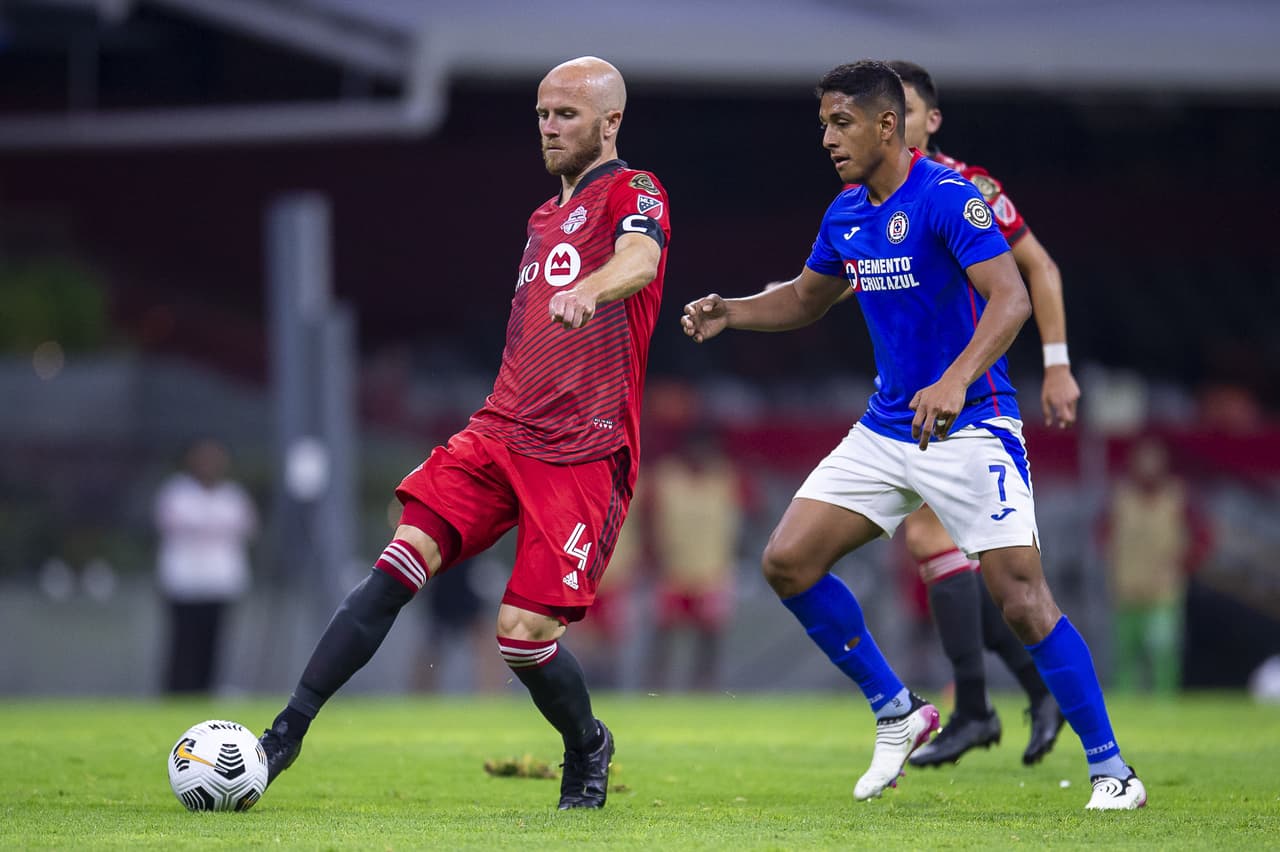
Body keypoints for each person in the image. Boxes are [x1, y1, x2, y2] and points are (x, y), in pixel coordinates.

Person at [682, 60, 1145, 809]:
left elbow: (1012, 298)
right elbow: (806, 299)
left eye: (841, 122)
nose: (828, 138)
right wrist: (732, 310)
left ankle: (1112, 771)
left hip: (974, 427)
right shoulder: (846, 212)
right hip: (889, 426)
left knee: (1023, 600)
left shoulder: (950, 197)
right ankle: (898, 710)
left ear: (888, 125)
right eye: (824, 124)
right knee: (788, 562)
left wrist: (957, 377)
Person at [257, 56, 671, 811]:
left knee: (520, 636)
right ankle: (282, 737)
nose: (548, 127)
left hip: (582, 449)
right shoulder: (542, 217)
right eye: (542, 113)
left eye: (567, 114)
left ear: (610, 122)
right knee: (394, 568)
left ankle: (588, 746)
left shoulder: (633, 190)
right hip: (499, 433)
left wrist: (591, 286)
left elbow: (642, 258)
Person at [883, 59, 1073, 769]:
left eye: (901, 109)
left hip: (965, 390)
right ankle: (1026, 691)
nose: (888, 121)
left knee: (936, 541)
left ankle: (975, 709)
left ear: (930, 121)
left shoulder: (966, 187)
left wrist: (1056, 361)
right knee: (963, 569)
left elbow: (1038, 269)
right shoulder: (875, 193)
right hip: (910, 388)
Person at [1102, 439, 1210, 693]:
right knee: (1126, 654)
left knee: (1163, 653)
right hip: (1127, 590)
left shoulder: (1177, 497)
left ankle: (1165, 705)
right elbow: (1102, 535)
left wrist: (1185, 562)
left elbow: (1204, 537)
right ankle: (1126, 705)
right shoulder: (1121, 498)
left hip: (1164, 592)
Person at [153, 438, 257, 694]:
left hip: (220, 580)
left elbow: (247, 526)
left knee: (213, 641)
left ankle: (206, 689)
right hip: (184, 581)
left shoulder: (232, 495)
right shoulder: (176, 492)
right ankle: (177, 690)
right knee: (183, 641)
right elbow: (173, 523)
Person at [645, 427, 744, 692]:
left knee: (709, 637)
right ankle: (656, 688)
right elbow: (646, 518)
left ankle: (703, 689)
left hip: (713, 573)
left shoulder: (725, 477)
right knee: (663, 634)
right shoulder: (666, 478)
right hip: (672, 571)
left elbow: (748, 515)